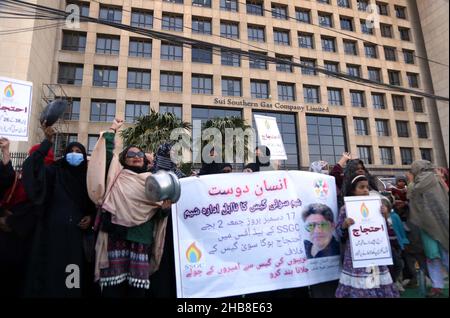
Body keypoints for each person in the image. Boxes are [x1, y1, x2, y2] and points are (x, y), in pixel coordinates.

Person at [88, 119, 172, 298]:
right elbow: (106, 155)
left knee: (137, 291)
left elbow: (157, 212)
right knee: (113, 290)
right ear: (124, 159)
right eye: (131, 154)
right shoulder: (116, 175)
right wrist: (112, 130)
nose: (136, 157)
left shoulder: (152, 181)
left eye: (140, 154)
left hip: (141, 240)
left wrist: (164, 209)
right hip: (116, 237)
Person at [24, 125, 96, 297]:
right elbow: (31, 169)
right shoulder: (54, 172)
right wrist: (46, 143)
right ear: (65, 155)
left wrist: (91, 217)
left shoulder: (88, 178)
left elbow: (95, 203)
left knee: (73, 279)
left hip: (76, 238)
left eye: (79, 151)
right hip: (52, 235)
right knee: (51, 276)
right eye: (72, 150)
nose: (75, 154)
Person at [0, 138, 55, 297]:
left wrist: (11, 221)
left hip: (27, 238)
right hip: (9, 238)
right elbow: (6, 179)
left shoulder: (48, 185)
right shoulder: (18, 180)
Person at [335, 174, 399, 298]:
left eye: (367, 187)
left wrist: (384, 215)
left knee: (376, 282)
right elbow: (338, 232)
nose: (365, 190)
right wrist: (344, 225)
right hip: (356, 255)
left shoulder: (377, 207)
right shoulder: (345, 208)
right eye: (361, 187)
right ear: (353, 190)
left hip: (375, 254)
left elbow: (382, 229)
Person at [407, 160, 449, 297]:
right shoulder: (417, 183)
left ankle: (437, 287)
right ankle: (437, 286)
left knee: (443, 254)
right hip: (427, 224)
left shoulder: (433, 180)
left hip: (439, 222)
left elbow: (445, 197)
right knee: (433, 256)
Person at [149, 142, 185, 298]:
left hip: (177, 229)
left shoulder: (181, 176)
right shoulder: (150, 175)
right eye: (169, 152)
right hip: (157, 226)